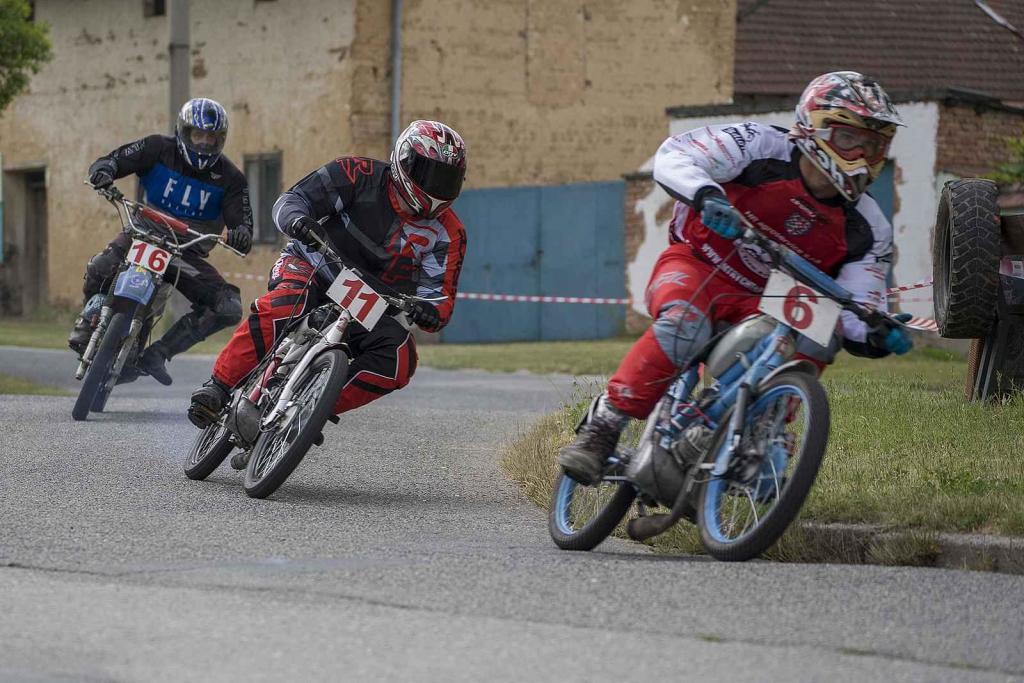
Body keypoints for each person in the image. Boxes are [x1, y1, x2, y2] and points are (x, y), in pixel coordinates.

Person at [559, 71, 914, 485]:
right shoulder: (758, 145)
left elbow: (859, 301)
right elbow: (677, 155)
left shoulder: (869, 225)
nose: (861, 156)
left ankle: (764, 434)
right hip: (701, 263)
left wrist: (875, 330)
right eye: (849, 139)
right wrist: (707, 194)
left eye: (874, 146)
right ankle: (604, 426)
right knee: (682, 326)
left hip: (775, 298)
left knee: (823, 331)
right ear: (813, 126)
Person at [187, 120, 467, 447]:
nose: (436, 188)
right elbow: (291, 201)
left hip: (372, 302)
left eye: (447, 180)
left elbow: (441, 298)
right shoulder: (355, 172)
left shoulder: (450, 233)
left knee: (402, 358)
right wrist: (299, 220)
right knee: (284, 304)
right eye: (430, 174)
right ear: (404, 161)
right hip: (315, 264)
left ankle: (313, 406)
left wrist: (430, 311)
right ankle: (218, 385)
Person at [69, 97, 253, 385]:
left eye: (212, 137)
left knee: (228, 306)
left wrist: (242, 233)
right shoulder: (157, 148)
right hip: (140, 232)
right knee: (100, 267)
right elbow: (114, 160)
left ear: (221, 140)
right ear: (183, 131)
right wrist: (104, 170)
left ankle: (158, 353)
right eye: (198, 134)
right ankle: (88, 318)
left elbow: (242, 222)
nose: (204, 143)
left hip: (183, 251)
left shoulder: (231, 179)